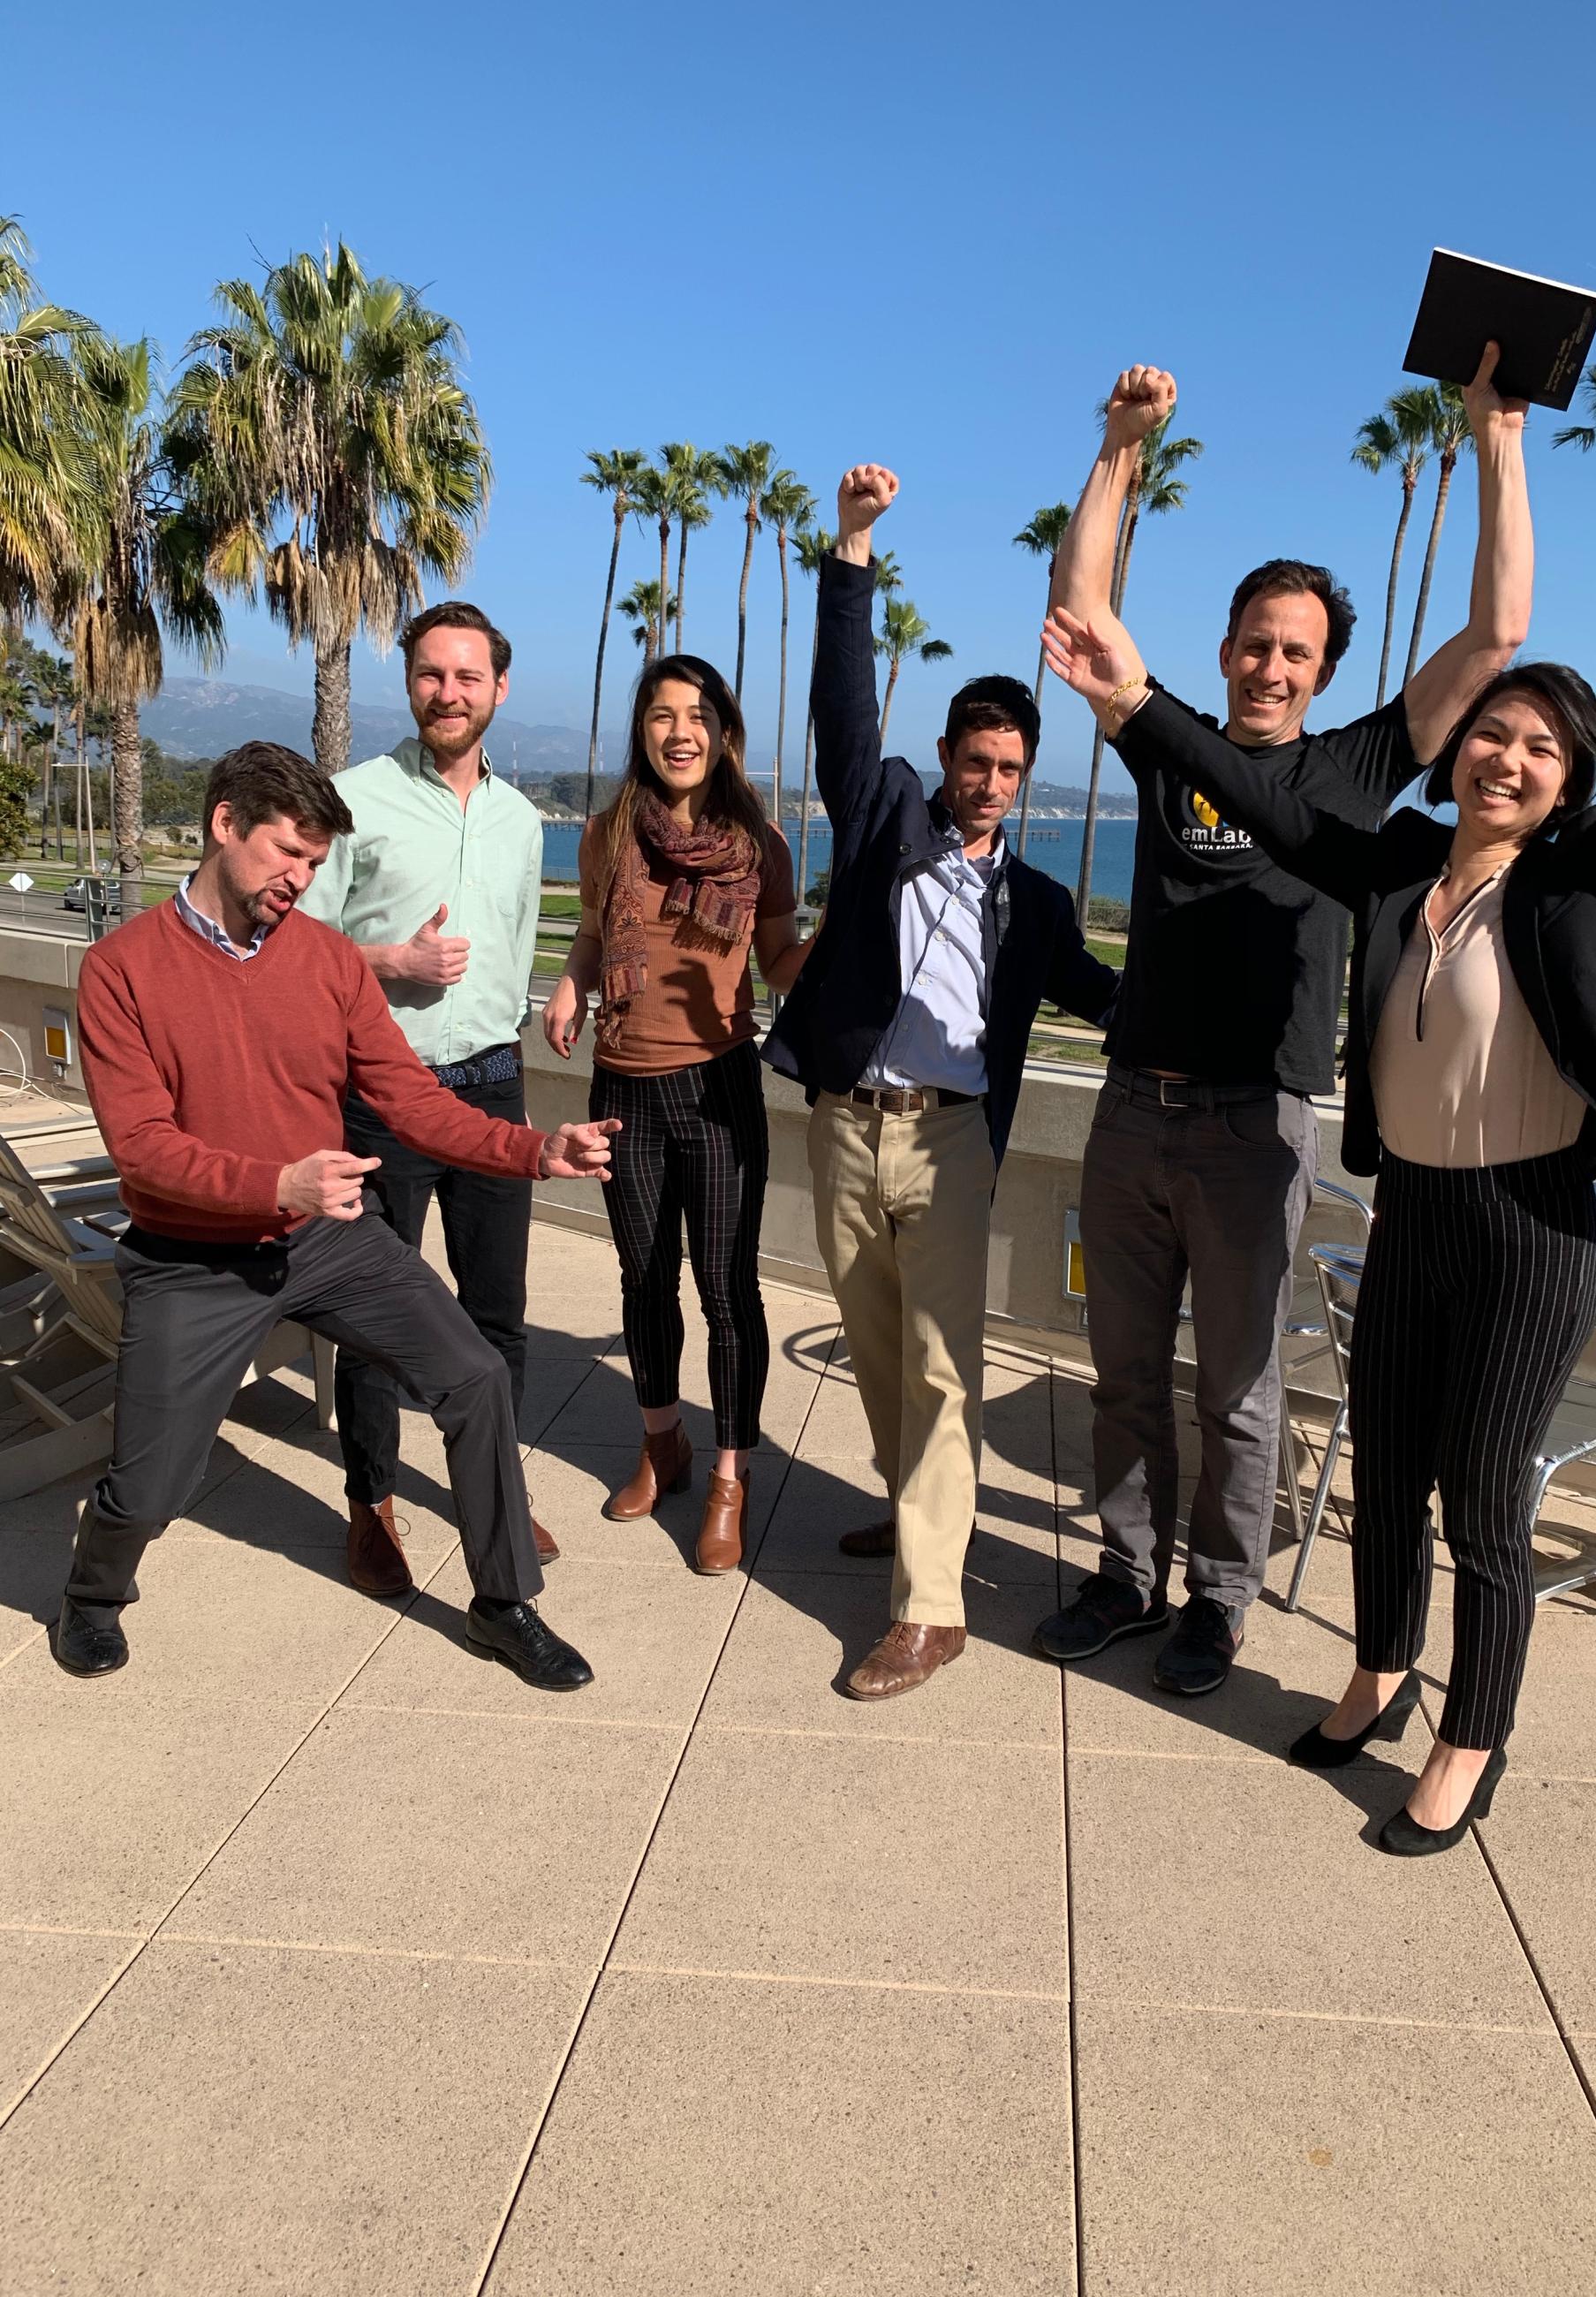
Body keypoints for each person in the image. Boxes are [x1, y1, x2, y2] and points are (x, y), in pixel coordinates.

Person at [1046, 605, 1596, 1851]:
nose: (1505, 760)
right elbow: (1264, 804)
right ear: (1455, 746)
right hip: (1410, 1210)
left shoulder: (1576, 878)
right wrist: (1135, 704)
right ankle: (1377, 1674)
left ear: (1566, 782)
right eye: (1490, 734)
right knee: (1387, 1472)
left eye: (1538, 750)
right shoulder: (1402, 864)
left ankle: (1474, 1736)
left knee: (1480, 1502)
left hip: (1526, 1228)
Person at [1033, 348, 1534, 1701]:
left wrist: (1496, 439)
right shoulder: (1170, 739)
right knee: (1125, 1373)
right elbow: (1082, 607)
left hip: (1259, 1125)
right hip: (1133, 1106)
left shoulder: (1360, 767)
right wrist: (1119, 442)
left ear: (1323, 671)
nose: (1268, 665)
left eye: (1293, 651)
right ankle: (1124, 1577)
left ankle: (1219, 1601)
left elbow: (1493, 637)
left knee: (1237, 1390)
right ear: (1224, 652)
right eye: (1253, 643)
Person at [56, 742, 620, 1690]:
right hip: (190, 1257)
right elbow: (143, 1150)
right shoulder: (121, 969)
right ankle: (92, 1593)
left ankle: (503, 1603)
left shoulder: (324, 959)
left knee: (475, 1372)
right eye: (287, 854)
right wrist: (280, 1182)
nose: (301, 879)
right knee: (152, 1483)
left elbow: (412, 1099)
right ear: (224, 822)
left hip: (326, 1238)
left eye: (316, 864)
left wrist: (535, 1150)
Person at [762, 465, 1119, 1701]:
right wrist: (851, 552)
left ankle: (929, 1606)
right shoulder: (883, 825)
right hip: (845, 1127)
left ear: (1024, 777)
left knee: (938, 1364)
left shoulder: (1037, 902)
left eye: (1010, 768)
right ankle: (918, 1512)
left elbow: (1103, 997)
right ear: (946, 758)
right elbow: (840, 712)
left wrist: (1213, 1023)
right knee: (870, 1348)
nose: (990, 783)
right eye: (976, 760)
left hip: (953, 1141)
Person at [299, 600, 559, 1598]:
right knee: (375, 1311)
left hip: (494, 1083)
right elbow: (300, 946)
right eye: (429, 675)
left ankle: (490, 1482)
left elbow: (521, 941)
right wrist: (390, 959)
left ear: (498, 688)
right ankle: (373, 1503)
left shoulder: (524, 821)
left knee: (500, 1311)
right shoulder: (351, 797)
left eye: (467, 677)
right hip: (381, 1090)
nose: (447, 693)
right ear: (409, 683)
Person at [542, 656, 811, 1573]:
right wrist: (571, 987)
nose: (679, 731)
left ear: (723, 732)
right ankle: (664, 1446)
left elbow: (776, 960)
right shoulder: (609, 830)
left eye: (697, 714)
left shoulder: (757, 843)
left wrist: (839, 952)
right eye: (661, 715)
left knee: (728, 1289)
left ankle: (730, 1477)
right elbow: (589, 927)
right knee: (643, 1278)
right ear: (643, 730)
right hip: (623, 1087)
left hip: (719, 1087)